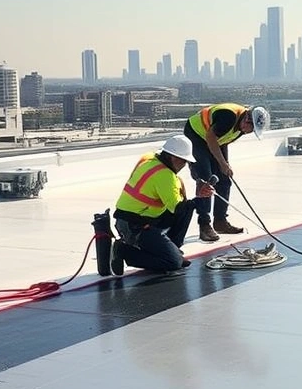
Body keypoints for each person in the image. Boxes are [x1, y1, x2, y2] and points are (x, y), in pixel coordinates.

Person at [111, 135, 215, 275]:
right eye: (184, 161)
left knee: (188, 207)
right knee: (174, 263)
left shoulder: (149, 159)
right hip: (136, 226)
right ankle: (124, 251)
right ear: (174, 158)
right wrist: (200, 197)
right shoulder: (165, 176)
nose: (184, 165)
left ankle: (172, 248)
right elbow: (178, 209)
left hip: (130, 219)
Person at [184, 103, 269, 242]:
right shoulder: (228, 116)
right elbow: (211, 137)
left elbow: (223, 141)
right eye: (251, 128)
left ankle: (220, 221)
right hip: (196, 135)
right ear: (247, 119)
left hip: (211, 139)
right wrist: (222, 163)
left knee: (224, 179)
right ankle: (205, 225)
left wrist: (225, 165)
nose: (248, 132)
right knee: (206, 181)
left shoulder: (242, 127)